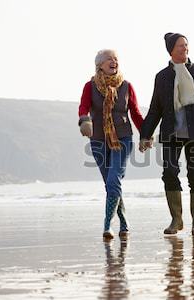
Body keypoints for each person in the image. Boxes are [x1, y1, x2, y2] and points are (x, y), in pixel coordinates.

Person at [140, 33, 194, 235]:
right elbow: (155, 109)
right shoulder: (162, 77)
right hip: (170, 134)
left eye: (186, 45)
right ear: (171, 50)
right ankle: (176, 220)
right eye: (180, 46)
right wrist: (145, 135)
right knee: (169, 173)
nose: (184, 49)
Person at [78, 49, 143, 240]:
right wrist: (84, 120)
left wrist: (146, 134)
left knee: (114, 179)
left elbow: (136, 113)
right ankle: (123, 221)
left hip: (122, 138)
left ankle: (107, 225)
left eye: (116, 59)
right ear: (99, 65)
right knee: (110, 183)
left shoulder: (126, 86)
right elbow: (83, 106)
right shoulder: (90, 86)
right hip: (98, 139)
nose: (114, 62)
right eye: (109, 59)